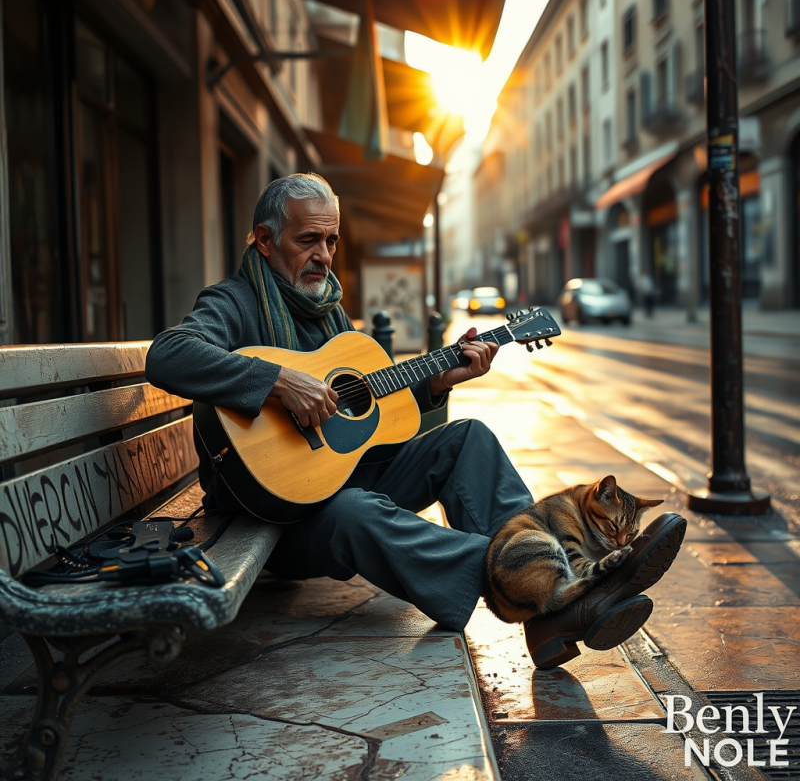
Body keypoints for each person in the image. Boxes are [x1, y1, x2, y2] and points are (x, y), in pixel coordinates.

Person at [146, 173, 682, 664]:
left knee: (467, 439)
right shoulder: (234, 302)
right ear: (263, 240)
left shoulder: (325, 309)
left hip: (332, 480)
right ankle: (562, 587)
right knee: (356, 511)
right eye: (307, 240)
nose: (324, 255)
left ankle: (546, 608)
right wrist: (277, 381)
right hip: (272, 517)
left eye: (331, 241)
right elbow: (168, 354)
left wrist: (434, 383)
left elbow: (362, 416)